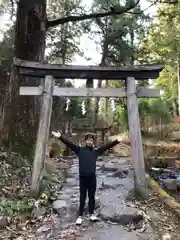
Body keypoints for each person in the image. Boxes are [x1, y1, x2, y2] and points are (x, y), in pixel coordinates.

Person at [52, 131, 121, 225]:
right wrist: (60, 137)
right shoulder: (80, 150)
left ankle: (91, 214)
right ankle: (80, 216)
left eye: (91, 140)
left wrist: (116, 141)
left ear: (93, 142)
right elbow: (70, 144)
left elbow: (106, 147)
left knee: (91, 196)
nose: (89, 142)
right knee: (82, 197)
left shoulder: (96, 152)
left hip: (92, 178)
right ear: (85, 141)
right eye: (88, 140)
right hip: (83, 178)